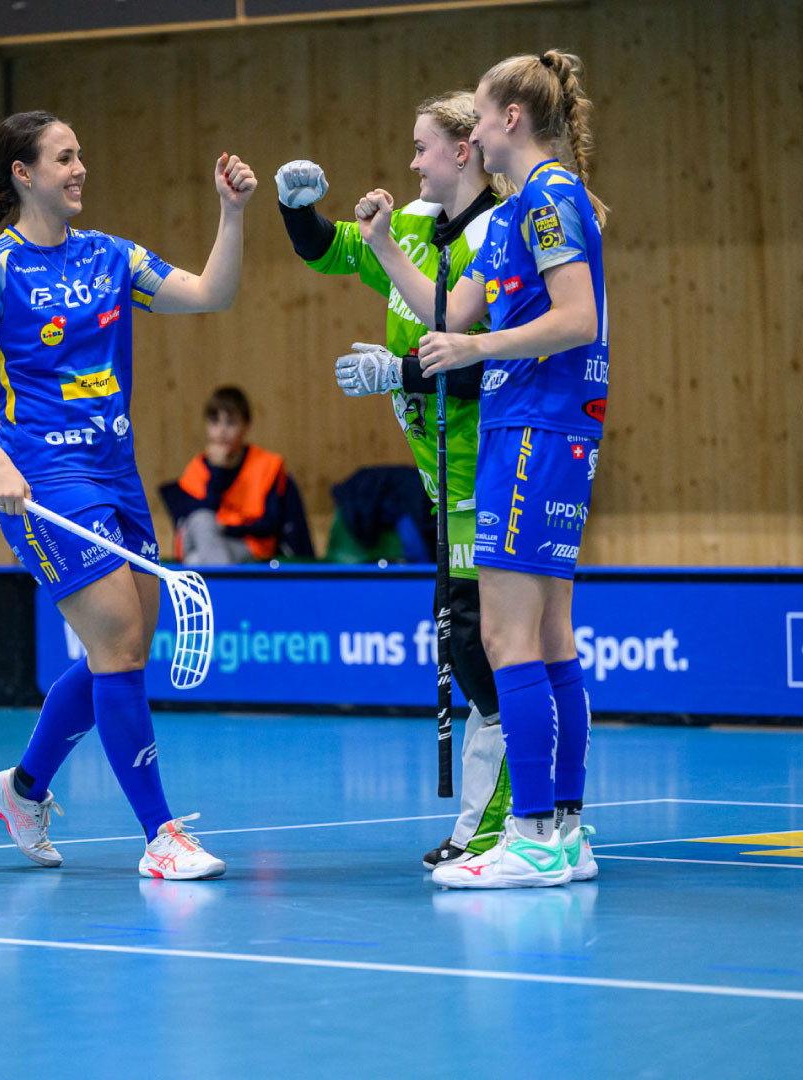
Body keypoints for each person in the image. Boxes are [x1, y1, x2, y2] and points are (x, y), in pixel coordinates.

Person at [0, 110, 257, 880]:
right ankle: (160, 836)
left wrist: (232, 214)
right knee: (116, 644)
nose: (79, 170)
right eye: (64, 158)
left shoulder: (112, 257)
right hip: (43, 481)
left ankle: (23, 789)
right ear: (23, 174)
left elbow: (210, 292)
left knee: (126, 649)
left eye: (81, 156)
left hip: (117, 475)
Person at [355, 50, 608, 888]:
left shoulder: (551, 201)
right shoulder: (507, 221)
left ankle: (531, 831)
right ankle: (564, 831)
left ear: (506, 121)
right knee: (548, 639)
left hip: (534, 428)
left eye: (481, 108)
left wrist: (477, 349)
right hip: (528, 428)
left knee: (506, 639)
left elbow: (577, 318)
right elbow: (444, 311)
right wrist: (385, 247)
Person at [275, 92, 512, 871]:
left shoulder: (497, 235)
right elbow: (325, 249)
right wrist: (294, 205)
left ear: (465, 151)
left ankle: (505, 823)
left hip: (495, 475)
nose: (411, 162)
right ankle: (498, 822)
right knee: (461, 640)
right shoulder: (409, 223)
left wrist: (397, 371)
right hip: (441, 483)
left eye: (422, 148)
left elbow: (489, 363)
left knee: (479, 648)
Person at [159, 385, 314, 564]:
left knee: (196, 561)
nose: (222, 430)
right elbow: (194, 521)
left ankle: (219, 588)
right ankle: (224, 589)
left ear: (246, 425)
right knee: (202, 520)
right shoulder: (196, 468)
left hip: (246, 544)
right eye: (215, 421)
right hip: (201, 538)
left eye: (231, 422)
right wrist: (216, 469)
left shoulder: (266, 465)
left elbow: (269, 525)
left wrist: (225, 528)